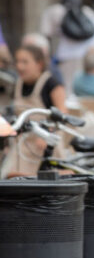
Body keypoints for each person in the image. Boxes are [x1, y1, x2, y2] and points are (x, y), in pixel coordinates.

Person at [1, 44, 68, 178]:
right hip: (22, 146)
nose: (20, 66)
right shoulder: (18, 84)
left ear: (39, 64)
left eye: (25, 62)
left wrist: (47, 135)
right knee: (12, 178)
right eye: (18, 62)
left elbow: (63, 114)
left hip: (45, 145)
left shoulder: (51, 84)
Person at [39, 0, 94, 95]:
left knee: (69, 89)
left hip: (71, 57)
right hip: (90, 54)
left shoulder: (54, 11)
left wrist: (49, 56)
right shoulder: (88, 11)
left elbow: (46, 35)